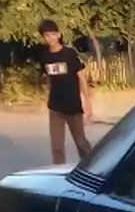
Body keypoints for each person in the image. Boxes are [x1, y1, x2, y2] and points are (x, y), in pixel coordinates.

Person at [37, 21, 94, 164]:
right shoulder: (45, 56)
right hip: (55, 107)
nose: (50, 38)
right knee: (57, 147)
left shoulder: (69, 54)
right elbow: (49, 78)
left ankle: (92, 169)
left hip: (73, 105)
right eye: (46, 36)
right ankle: (59, 172)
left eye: (52, 35)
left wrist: (87, 101)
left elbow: (81, 77)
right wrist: (48, 95)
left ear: (58, 35)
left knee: (81, 143)